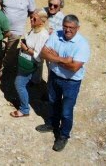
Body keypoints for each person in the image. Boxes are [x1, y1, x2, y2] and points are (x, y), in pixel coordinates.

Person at [37, 15, 91, 152]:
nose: (67, 30)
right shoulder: (56, 34)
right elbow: (43, 53)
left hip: (71, 82)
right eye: (65, 26)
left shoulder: (82, 44)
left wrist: (54, 57)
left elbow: (74, 67)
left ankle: (63, 135)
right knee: (53, 101)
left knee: (66, 111)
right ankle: (52, 124)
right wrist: (64, 60)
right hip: (55, 76)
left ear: (77, 28)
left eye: (71, 28)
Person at [11, 10, 50, 118]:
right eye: (31, 17)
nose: (31, 20)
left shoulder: (43, 34)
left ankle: (24, 109)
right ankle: (32, 96)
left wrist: (26, 48)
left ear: (42, 22)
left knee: (19, 84)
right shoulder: (35, 29)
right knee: (33, 81)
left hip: (30, 63)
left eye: (34, 18)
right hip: (27, 60)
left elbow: (38, 54)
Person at [0, 0, 36, 68]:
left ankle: (3, 69)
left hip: (17, 29)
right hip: (2, 27)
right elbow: (1, 5)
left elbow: (32, 12)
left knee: (10, 52)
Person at [33, 0, 66, 85]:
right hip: (39, 43)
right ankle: (36, 81)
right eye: (50, 4)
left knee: (51, 68)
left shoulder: (62, 19)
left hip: (50, 47)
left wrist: (46, 30)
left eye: (55, 6)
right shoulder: (43, 11)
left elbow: (58, 35)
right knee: (37, 62)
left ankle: (49, 88)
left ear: (60, 7)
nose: (51, 7)